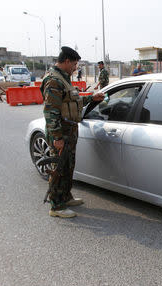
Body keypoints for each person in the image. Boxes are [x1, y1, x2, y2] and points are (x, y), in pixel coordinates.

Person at [41, 46, 104, 218]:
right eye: (74, 64)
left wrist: (92, 97)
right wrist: (57, 137)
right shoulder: (53, 80)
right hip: (61, 131)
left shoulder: (64, 78)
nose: (76, 68)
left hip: (70, 130)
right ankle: (56, 206)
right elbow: (51, 111)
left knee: (69, 166)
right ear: (67, 61)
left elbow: (71, 100)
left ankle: (65, 197)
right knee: (59, 168)